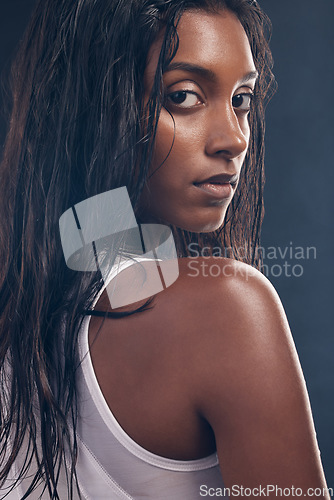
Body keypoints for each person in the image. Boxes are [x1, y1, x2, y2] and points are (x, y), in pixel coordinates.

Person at [0, 0, 330, 498]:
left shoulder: (31, 295)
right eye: (183, 96)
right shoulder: (227, 309)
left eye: (242, 99)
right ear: (95, 105)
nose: (234, 139)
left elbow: (95, 243)